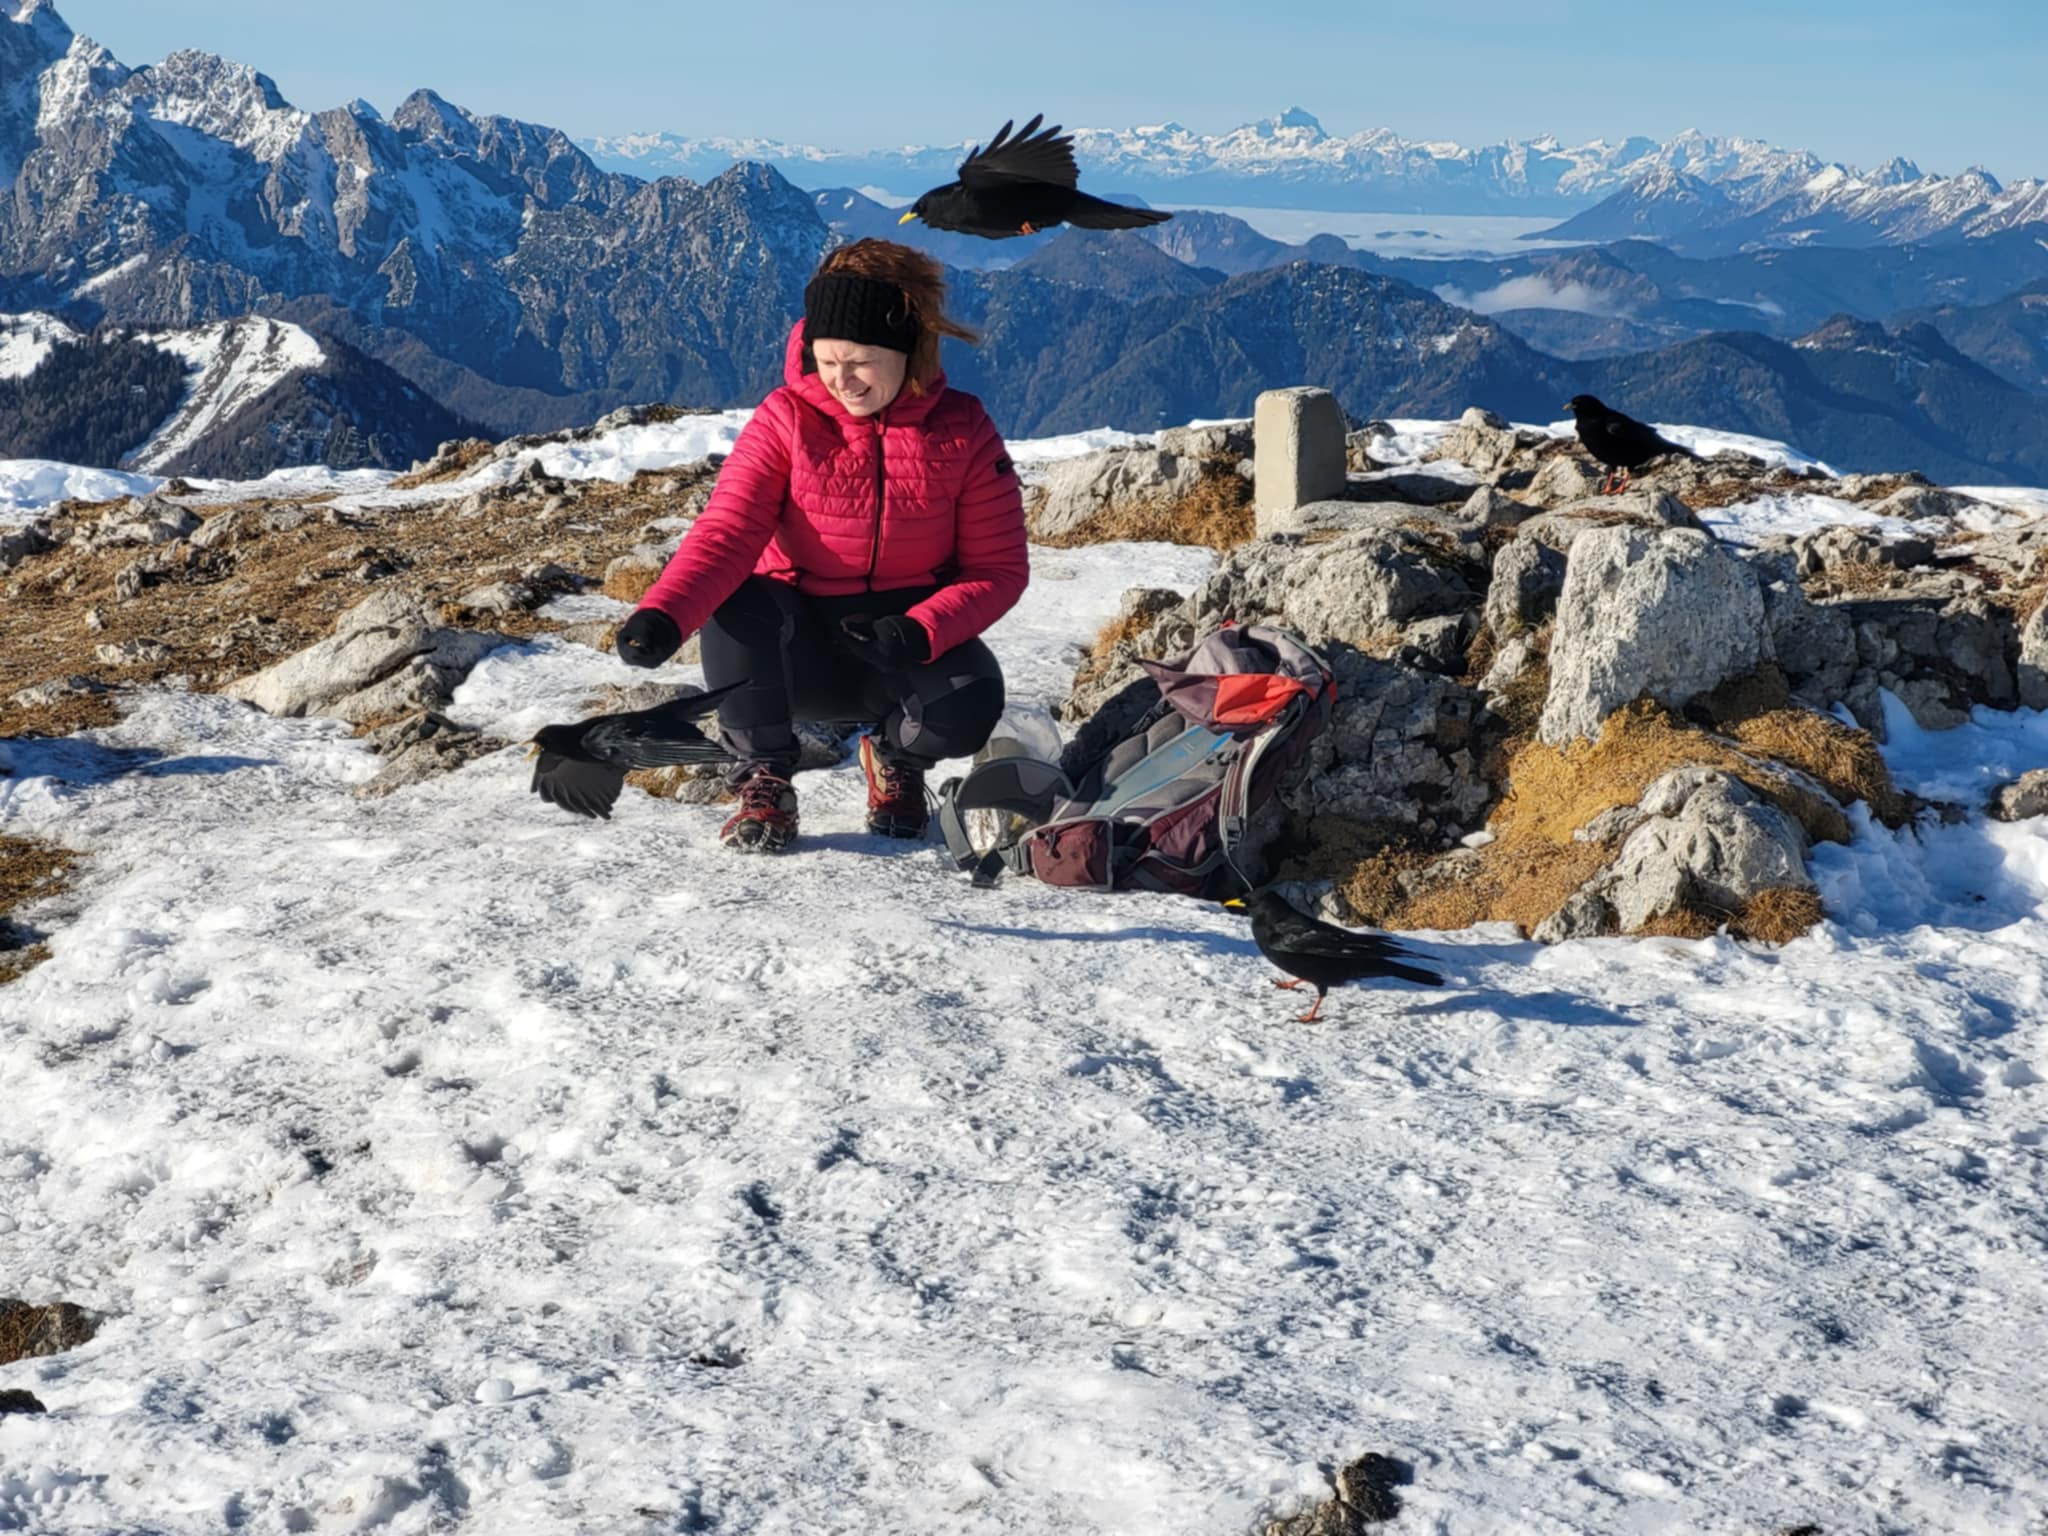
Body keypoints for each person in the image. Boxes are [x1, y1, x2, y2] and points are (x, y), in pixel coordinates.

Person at [612, 240, 1029, 854]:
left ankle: (895, 758)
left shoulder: (962, 429)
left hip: (901, 640)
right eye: (828, 360)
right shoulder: (785, 420)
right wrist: (663, 613)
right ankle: (764, 779)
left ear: (906, 351)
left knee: (969, 704)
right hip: (793, 645)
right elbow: (726, 533)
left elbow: (999, 569)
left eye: (859, 361)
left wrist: (921, 629)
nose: (841, 380)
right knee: (737, 604)